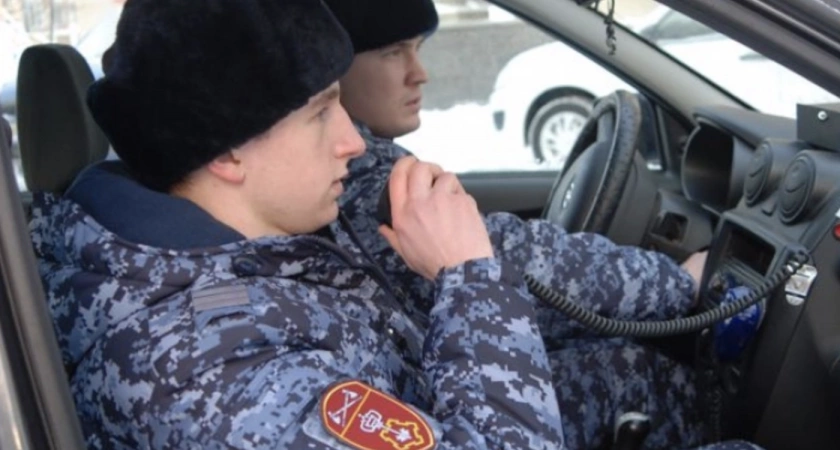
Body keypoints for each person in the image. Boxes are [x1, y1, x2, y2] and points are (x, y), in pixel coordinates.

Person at [31, 0, 567, 448]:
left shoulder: (272, 247)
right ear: (228, 152)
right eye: (321, 113)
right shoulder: (203, 372)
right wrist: (470, 278)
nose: (354, 142)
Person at [321, 0, 728, 448]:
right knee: (637, 375)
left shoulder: (360, 171)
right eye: (393, 52)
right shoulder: (364, 185)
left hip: (427, 382)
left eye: (418, 49)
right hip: (435, 405)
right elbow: (508, 257)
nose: (420, 73)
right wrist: (679, 282)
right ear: (333, 68)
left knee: (619, 359)